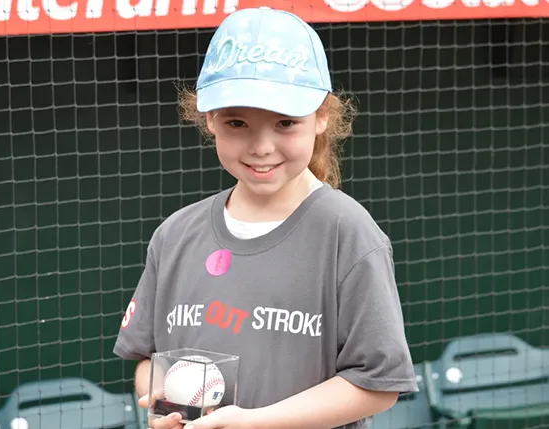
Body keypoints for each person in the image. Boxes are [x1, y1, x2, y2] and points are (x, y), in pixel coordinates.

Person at [113, 6, 418, 429]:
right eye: (237, 122)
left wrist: (256, 422)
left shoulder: (347, 233)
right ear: (209, 121)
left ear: (322, 117)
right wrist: (163, 403)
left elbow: (378, 385)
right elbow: (147, 357)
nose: (261, 146)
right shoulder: (176, 234)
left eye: (285, 122)